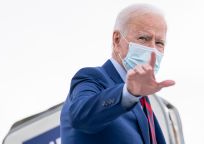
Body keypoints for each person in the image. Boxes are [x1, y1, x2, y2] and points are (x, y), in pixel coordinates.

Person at [60, 3, 175, 144]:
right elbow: (80, 117)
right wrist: (129, 93)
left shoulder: (144, 103)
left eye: (159, 42)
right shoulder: (92, 78)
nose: (152, 49)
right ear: (117, 40)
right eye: (143, 38)